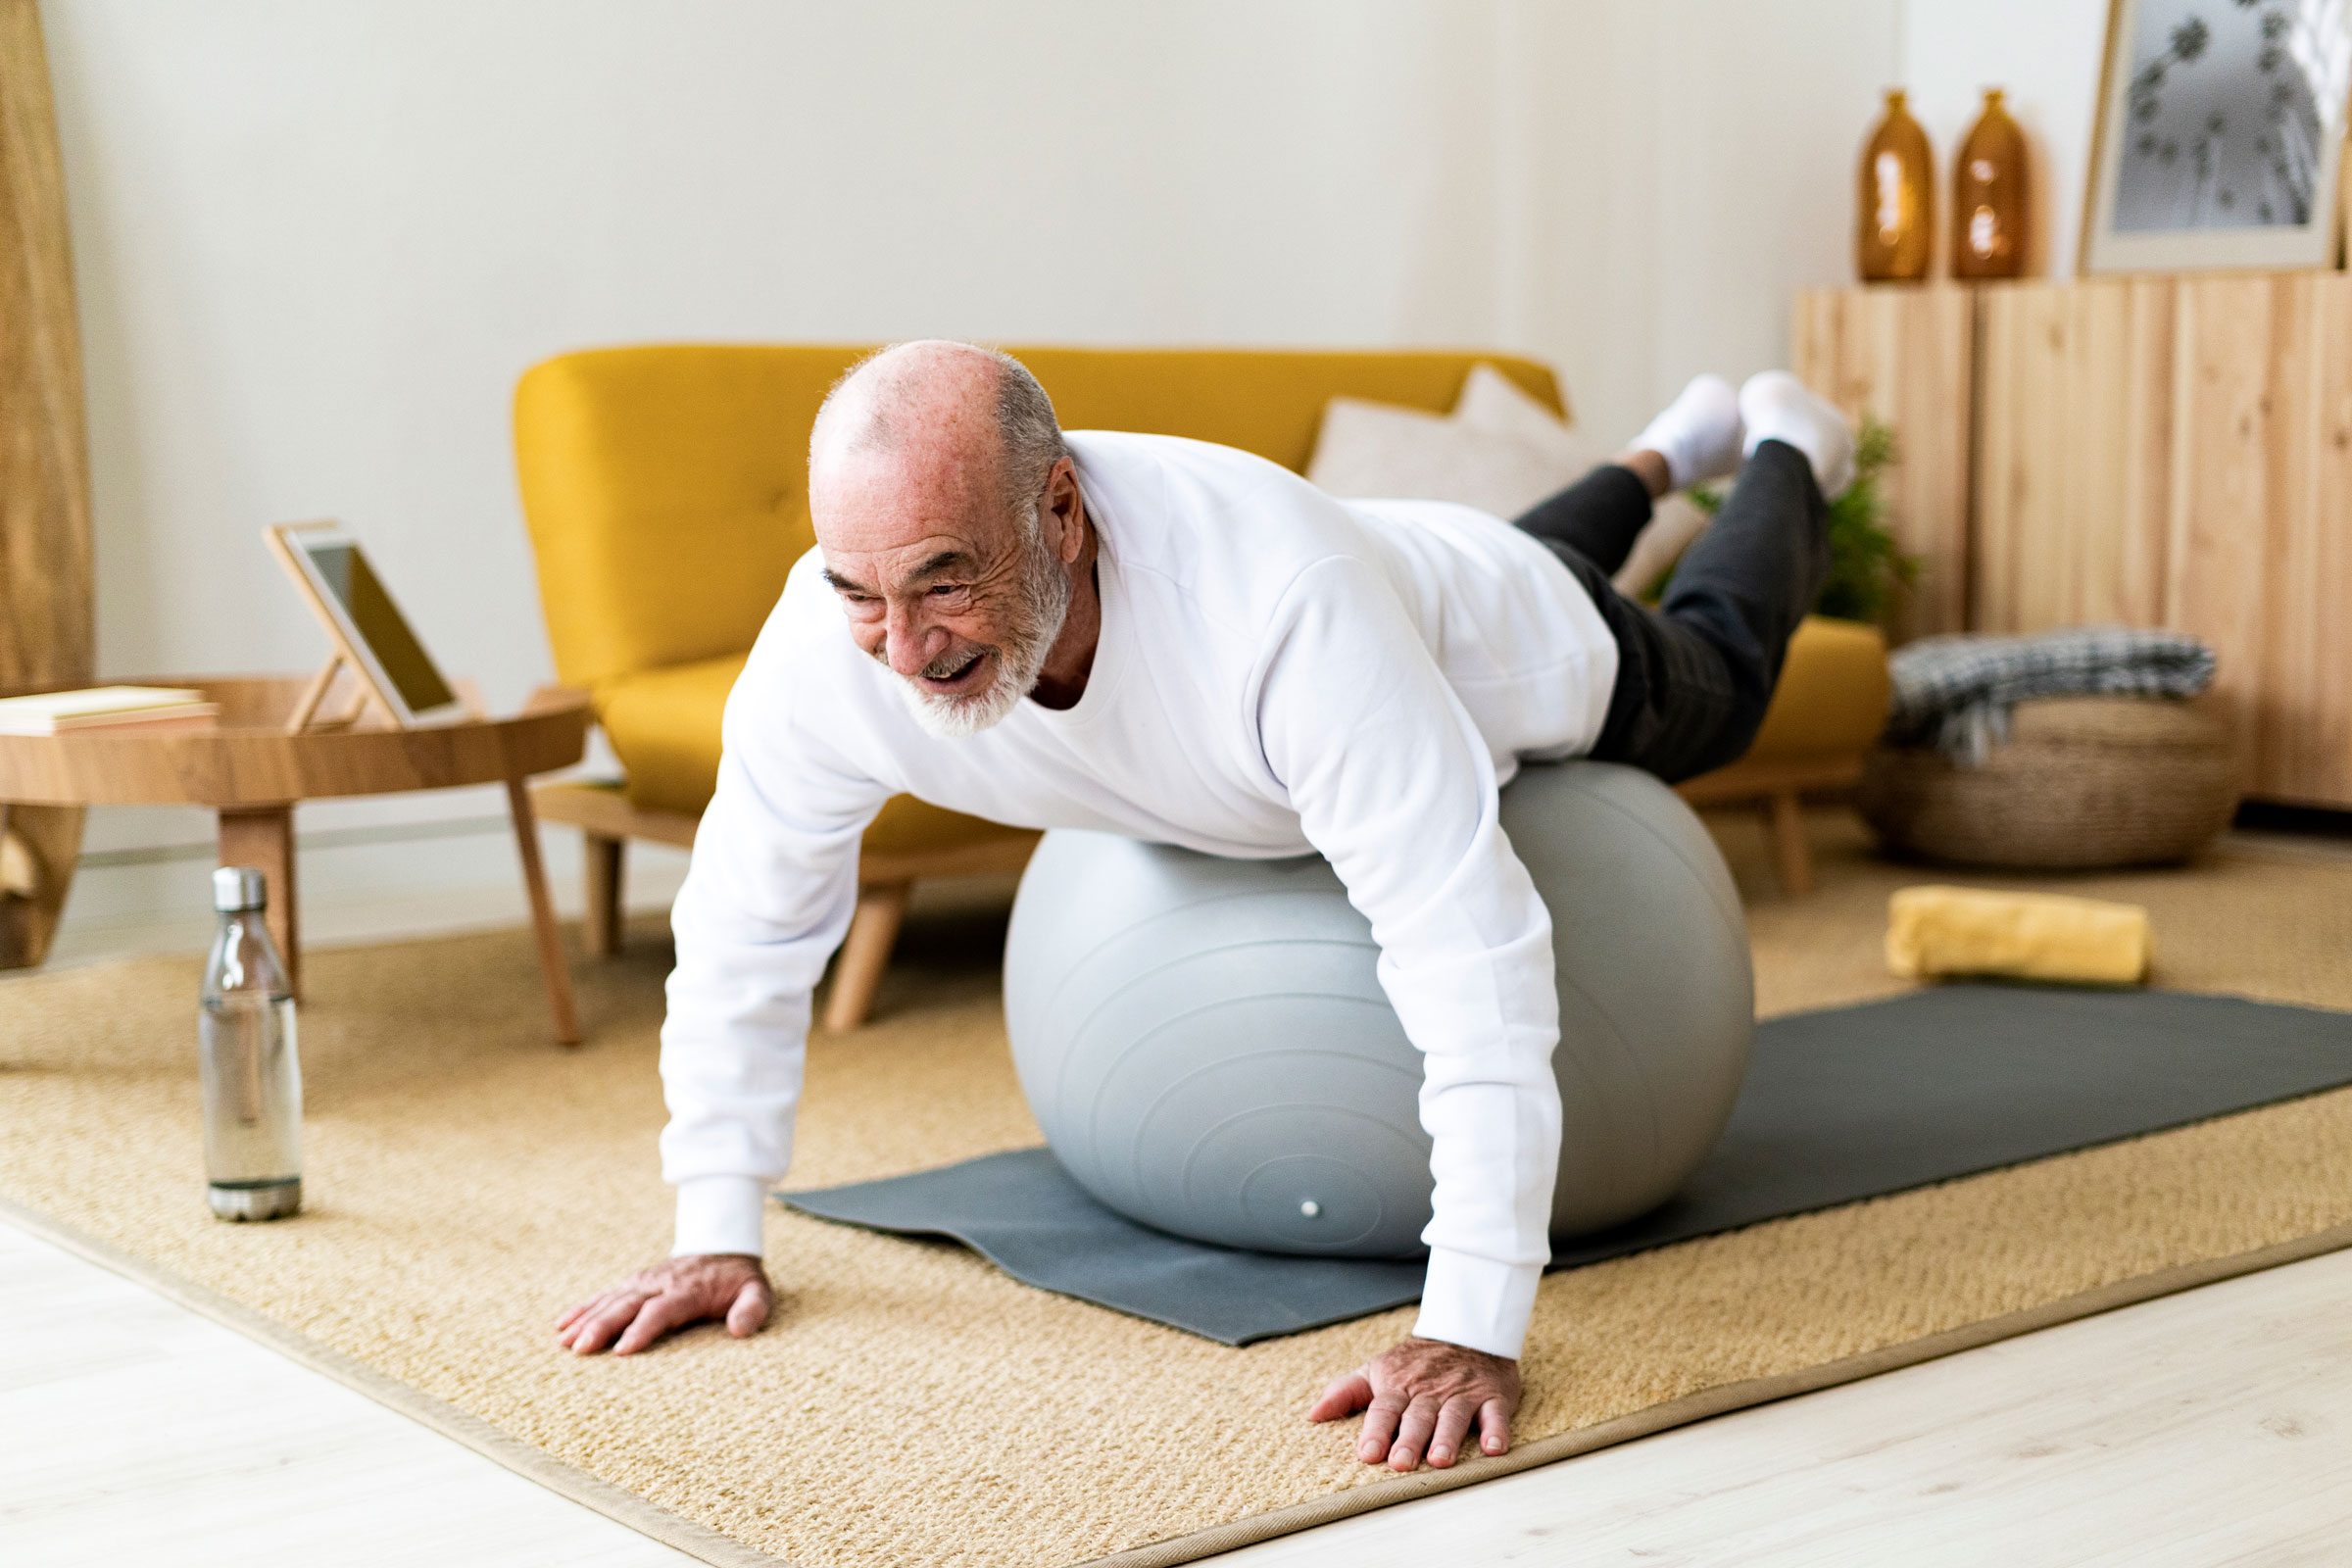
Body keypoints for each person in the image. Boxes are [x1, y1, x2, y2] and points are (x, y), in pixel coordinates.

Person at [556, 339, 1853, 1474]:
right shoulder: (823, 651)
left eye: (947, 582)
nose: (904, 648)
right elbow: (744, 925)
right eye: (860, 592)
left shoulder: (1278, 615)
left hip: (1512, 637)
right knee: (1526, 542)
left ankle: (1789, 440)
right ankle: (1666, 446)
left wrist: (1468, 1320)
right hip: (1401, 564)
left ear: (1059, 510)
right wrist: (713, 1223)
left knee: (1715, 677)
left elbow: (1475, 953)